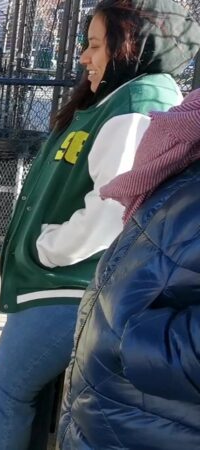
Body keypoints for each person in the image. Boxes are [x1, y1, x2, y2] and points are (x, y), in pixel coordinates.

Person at [0, 1, 200, 448]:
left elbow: (112, 208)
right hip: (57, 283)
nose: (84, 56)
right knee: (27, 396)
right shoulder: (122, 96)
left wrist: (49, 247)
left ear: (131, 47)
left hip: (66, 283)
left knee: (7, 389)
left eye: (95, 45)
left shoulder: (142, 102)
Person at [59, 88, 200, 449]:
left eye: (93, 44)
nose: (83, 57)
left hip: (148, 420)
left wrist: (127, 344)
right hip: (116, 413)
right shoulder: (185, 139)